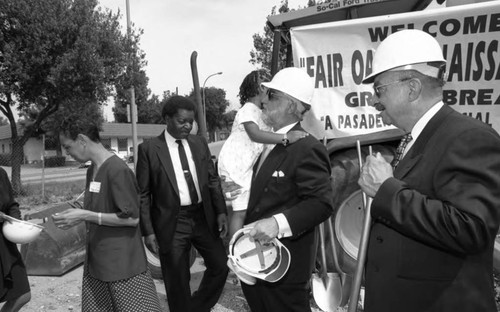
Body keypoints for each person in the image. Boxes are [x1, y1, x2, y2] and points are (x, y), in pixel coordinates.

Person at [358, 29, 500, 312]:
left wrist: (386, 190)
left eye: (379, 90)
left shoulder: (469, 137)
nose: (375, 102)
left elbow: (471, 229)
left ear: (411, 88)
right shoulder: (417, 137)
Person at [230, 67, 333, 312]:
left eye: (271, 95)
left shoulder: (306, 147)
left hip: (283, 272)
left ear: (290, 104)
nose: (263, 101)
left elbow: (321, 203)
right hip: (255, 263)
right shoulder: (263, 143)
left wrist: (277, 223)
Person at [52, 118, 161, 312]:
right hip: (98, 263)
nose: (66, 152)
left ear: (82, 140)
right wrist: (75, 215)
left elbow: (132, 218)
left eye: (68, 147)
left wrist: (85, 215)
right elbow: (97, 207)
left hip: (122, 266)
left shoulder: (117, 170)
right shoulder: (92, 170)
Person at [136, 95, 229, 312]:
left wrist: (221, 211)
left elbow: (212, 179)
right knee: (177, 278)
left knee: (220, 265)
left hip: (202, 217)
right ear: (167, 119)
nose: (187, 126)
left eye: (191, 121)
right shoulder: (149, 149)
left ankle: (196, 307)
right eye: (182, 121)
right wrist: (148, 231)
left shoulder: (199, 143)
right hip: (171, 221)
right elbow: (143, 193)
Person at [218, 69, 308, 238]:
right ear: (260, 88)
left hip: (245, 164)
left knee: (241, 209)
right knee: (239, 211)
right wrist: (285, 138)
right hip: (235, 163)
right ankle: (235, 248)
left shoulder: (260, 113)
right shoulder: (248, 109)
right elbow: (255, 134)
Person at [0, 168, 31, 312]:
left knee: (22, 294)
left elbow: (11, 204)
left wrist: (18, 224)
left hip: (4, 243)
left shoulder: (0, 173)